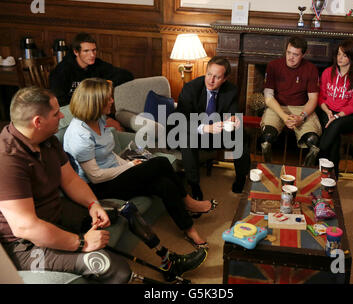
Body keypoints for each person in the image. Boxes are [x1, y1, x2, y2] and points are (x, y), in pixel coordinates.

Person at [0, 86, 207, 283]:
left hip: (55, 214)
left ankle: (169, 261)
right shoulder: (8, 159)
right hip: (23, 246)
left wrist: (93, 204)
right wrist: (82, 243)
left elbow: (70, 179)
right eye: (56, 114)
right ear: (37, 122)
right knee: (110, 266)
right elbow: (25, 227)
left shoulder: (48, 140)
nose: (62, 116)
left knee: (123, 209)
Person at [63, 78, 217, 250]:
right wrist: (129, 167)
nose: (112, 101)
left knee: (163, 184)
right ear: (95, 102)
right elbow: (96, 176)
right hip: (98, 186)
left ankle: (189, 230)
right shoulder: (80, 135)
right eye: (108, 98)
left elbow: (108, 153)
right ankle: (187, 201)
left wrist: (128, 163)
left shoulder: (98, 119)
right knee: (161, 162)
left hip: (114, 172)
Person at [176, 56, 251, 200]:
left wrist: (234, 119)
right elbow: (181, 119)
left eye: (217, 77)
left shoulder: (231, 90)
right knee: (186, 138)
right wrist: (206, 128)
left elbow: (233, 112)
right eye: (209, 74)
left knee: (241, 135)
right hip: (194, 131)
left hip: (217, 133)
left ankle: (241, 178)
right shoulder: (191, 88)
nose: (211, 80)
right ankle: (194, 185)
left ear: (225, 79)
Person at [49, 32, 134, 131]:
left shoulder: (96, 64)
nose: (92, 55)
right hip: (73, 112)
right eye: (86, 51)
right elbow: (59, 101)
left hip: (96, 110)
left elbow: (126, 75)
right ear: (76, 52)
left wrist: (106, 84)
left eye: (94, 50)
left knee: (122, 127)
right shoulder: (62, 71)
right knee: (115, 127)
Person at [260, 36, 322, 166]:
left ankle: (305, 170)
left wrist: (301, 117)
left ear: (303, 54)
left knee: (312, 139)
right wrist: (284, 116)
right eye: (288, 53)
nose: (290, 57)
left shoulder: (311, 69)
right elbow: (268, 97)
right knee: (267, 137)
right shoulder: (273, 66)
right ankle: (268, 166)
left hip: (301, 107)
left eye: (295, 54)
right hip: (277, 106)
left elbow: (313, 99)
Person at [317, 40, 353, 179]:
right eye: (338, 54)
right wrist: (328, 112)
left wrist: (337, 116)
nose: (340, 58)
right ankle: (333, 176)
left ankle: (318, 151)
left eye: (344, 55)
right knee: (334, 138)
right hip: (327, 111)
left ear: (352, 57)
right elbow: (321, 97)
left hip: (349, 116)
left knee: (335, 125)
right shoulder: (328, 72)